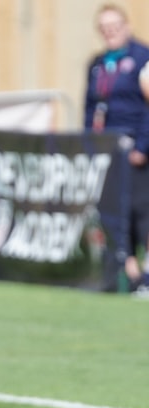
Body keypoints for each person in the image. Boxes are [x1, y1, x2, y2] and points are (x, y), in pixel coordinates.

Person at [83, 3, 149, 292]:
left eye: (115, 26)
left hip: (136, 148)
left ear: (126, 27)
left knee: (142, 212)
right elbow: (89, 109)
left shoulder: (142, 59)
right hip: (109, 150)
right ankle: (132, 277)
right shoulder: (97, 64)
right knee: (117, 217)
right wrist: (89, 145)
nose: (110, 32)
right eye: (104, 28)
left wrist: (143, 146)